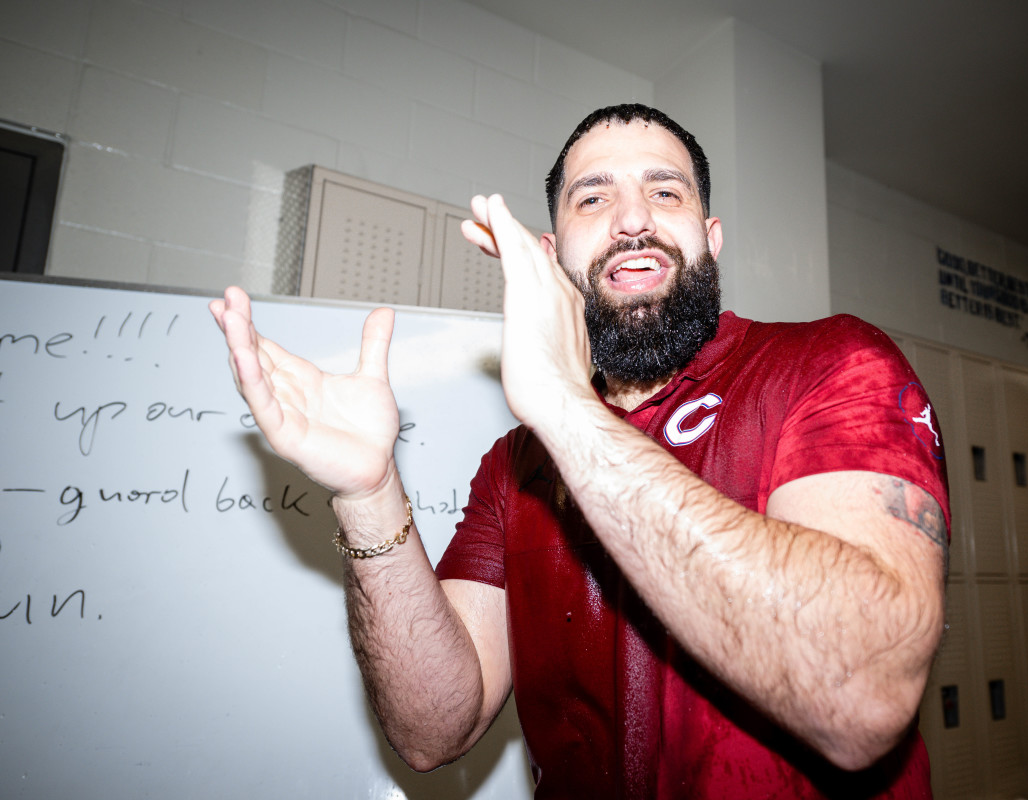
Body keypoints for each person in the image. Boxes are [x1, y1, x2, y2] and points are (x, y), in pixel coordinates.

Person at [211, 104, 949, 798]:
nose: (633, 219)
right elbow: (434, 730)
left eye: (666, 192)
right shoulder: (515, 468)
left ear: (710, 235)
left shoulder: (829, 364)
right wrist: (368, 493)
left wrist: (566, 407)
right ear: (550, 253)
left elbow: (863, 695)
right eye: (592, 200)